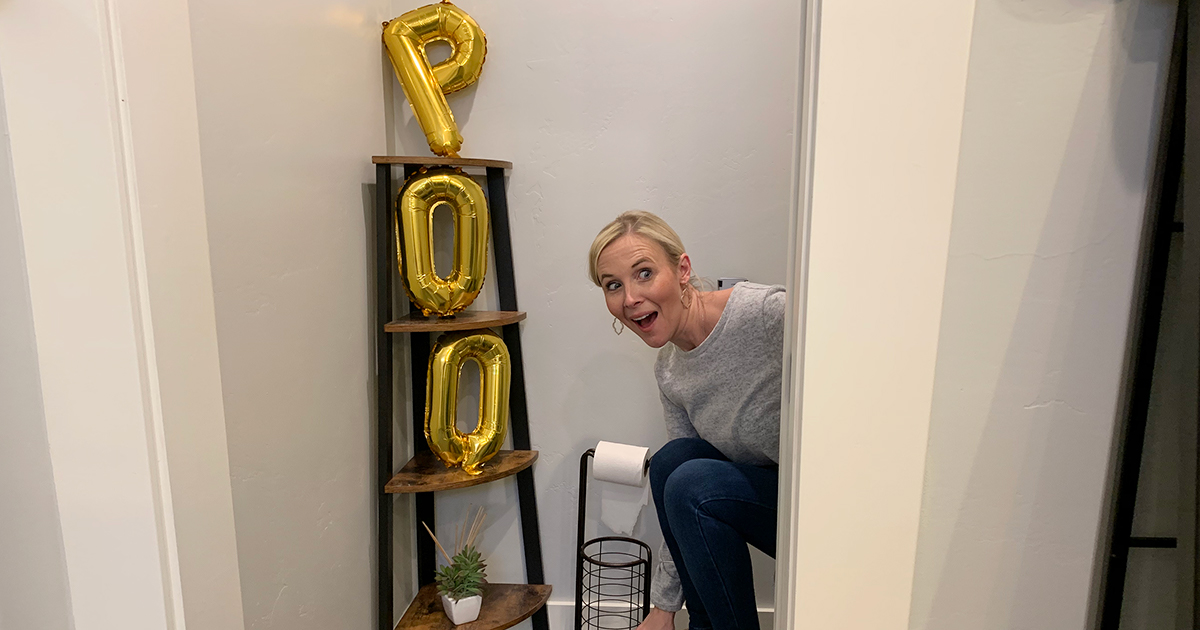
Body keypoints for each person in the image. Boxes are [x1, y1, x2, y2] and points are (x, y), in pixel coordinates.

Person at [587, 210, 785, 630]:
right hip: (771, 501)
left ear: (682, 269)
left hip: (824, 502)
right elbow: (675, 498)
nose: (629, 299)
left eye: (644, 273)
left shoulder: (765, 314)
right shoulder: (670, 371)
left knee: (691, 481)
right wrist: (663, 607)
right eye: (613, 285)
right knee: (673, 462)